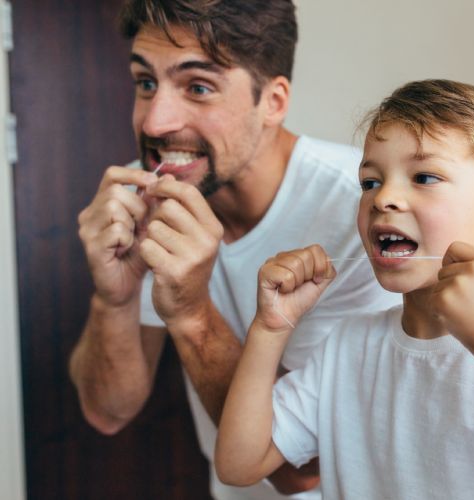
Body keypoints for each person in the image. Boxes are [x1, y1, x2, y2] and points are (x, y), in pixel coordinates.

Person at [69, 1, 399, 499]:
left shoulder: (365, 215)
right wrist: (112, 297)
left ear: (273, 101)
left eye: (198, 86)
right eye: (145, 83)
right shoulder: (147, 203)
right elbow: (108, 412)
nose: (156, 123)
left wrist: (191, 313)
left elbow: (301, 470)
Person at [215, 79, 474, 499]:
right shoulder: (347, 347)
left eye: (424, 176)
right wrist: (270, 330)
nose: (384, 199)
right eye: (370, 182)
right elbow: (239, 464)